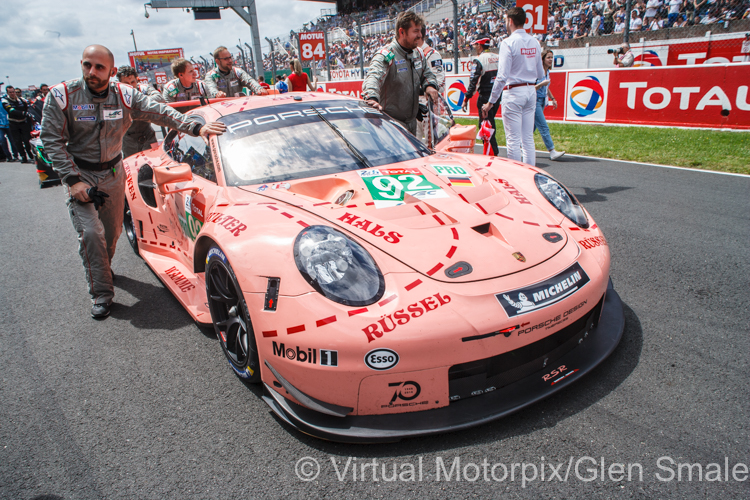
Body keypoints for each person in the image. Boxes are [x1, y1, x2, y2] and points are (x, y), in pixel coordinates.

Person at [41, 45, 227, 319]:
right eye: (87, 65)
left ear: (112, 72)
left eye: (99, 67)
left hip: (114, 172)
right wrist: (72, 180)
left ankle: (102, 265)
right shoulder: (61, 96)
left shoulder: (125, 95)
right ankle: (102, 294)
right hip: (80, 175)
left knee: (111, 233)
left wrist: (196, 127)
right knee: (92, 234)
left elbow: (162, 113)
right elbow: (51, 140)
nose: (92, 72)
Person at [482, 7, 545, 166]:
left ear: (510, 21)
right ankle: (530, 173)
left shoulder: (508, 42)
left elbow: (502, 76)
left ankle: (517, 178)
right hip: (530, 90)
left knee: (513, 140)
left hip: (514, 91)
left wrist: (491, 102)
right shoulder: (535, 42)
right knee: (527, 139)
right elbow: (540, 73)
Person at [362, 11, 439, 135]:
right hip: (389, 126)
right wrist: (372, 98)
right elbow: (373, 78)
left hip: (411, 123)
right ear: (402, 32)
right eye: (416, 31)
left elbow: (428, 74)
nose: (420, 35)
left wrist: (430, 86)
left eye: (420, 31)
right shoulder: (387, 55)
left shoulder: (418, 53)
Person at [116, 66, 166, 158]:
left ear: (137, 80)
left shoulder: (143, 89)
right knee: (131, 166)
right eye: (126, 83)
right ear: (119, 83)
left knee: (154, 163)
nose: (130, 86)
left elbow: (160, 98)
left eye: (132, 82)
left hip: (148, 135)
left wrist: (138, 103)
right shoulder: (115, 94)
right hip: (128, 139)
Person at [463, 37, 500, 155]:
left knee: (485, 127)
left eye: (475, 46)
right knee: (490, 124)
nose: (474, 48)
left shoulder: (479, 60)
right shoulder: (498, 57)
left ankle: (492, 155)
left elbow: (474, 82)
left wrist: (466, 98)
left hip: (485, 97)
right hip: (497, 96)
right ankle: (491, 153)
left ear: (480, 45)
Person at [534, 49, 565, 161]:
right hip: (535, 100)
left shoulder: (547, 71)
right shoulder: (538, 71)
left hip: (543, 100)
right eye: (548, 57)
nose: (550, 60)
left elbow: (546, 88)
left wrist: (553, 98)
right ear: (542, 59)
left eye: (552, 57)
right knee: (543, 126)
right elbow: (532, 88)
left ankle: (519, 145)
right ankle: (552, 151)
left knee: (533, 126)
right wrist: (541, 83)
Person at [1, 87, 34, 163]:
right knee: (17, 141)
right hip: (13, 124)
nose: (12, 94)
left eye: (13, 92)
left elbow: (28, 108)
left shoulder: (22, 100)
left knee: (27, 140)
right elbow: (11, 110)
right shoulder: (5, 101)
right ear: (7, 93)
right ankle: (23, 156)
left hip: (23, 122)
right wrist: (23, 113)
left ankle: (30, 153)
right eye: (10, 92)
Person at [420, 26, 445, 94]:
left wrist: (424, 89)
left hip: (427, 101)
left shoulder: (432, 54)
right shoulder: (411, 53)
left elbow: (440, 83)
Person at [0, 88, 13, 162]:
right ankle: (7, 156)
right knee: (2, 140)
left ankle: (15, 155)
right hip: (0, 125)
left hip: (8, 122)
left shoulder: (4, 100)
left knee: (12, 140)